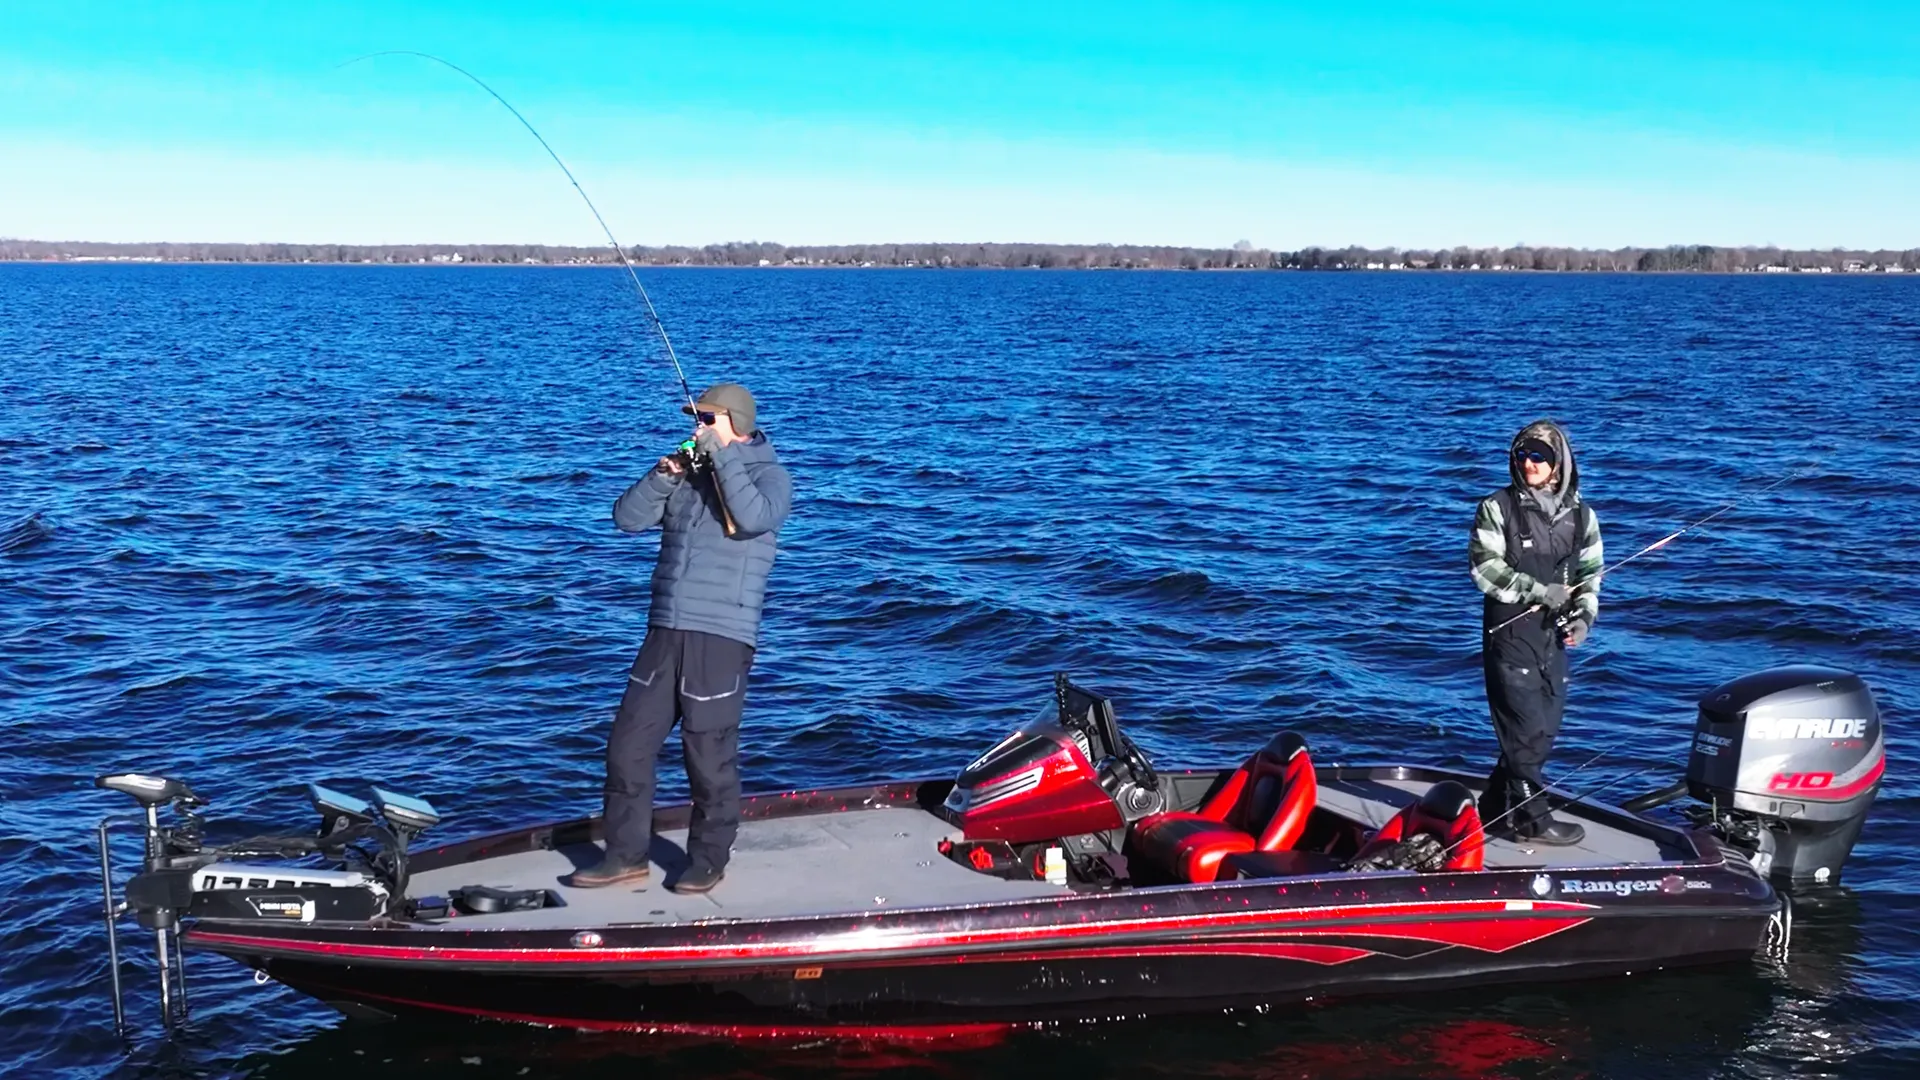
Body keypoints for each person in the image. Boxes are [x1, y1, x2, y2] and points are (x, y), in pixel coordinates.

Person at [570, 382, 793, 893]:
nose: (698, 428)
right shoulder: (693, 472)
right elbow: (626, 519)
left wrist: (720, 457)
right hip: (664, 628)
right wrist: (664, 474)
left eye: (708, 420)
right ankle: (625, 856)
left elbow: (754, 518)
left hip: (720, 635)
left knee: (708, 756)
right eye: (697, 420)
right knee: (627, 747)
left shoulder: (770, 477)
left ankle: (708, 859)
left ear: (734, 423)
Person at [1468, 419, 1603, 846]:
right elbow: (1485, 570)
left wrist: (1582, 617)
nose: (1529, 463)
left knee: (1544, 730)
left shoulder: (1583, 517)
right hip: (1509, 637)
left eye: (1539, 456)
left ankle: (1492, 808)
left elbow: (1590, 574)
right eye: (1522, 455)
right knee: (1523, 731)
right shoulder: (1496, 507)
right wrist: (1541, 591)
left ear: (1558, 464)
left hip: (1552, 641)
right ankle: (1535, 819)